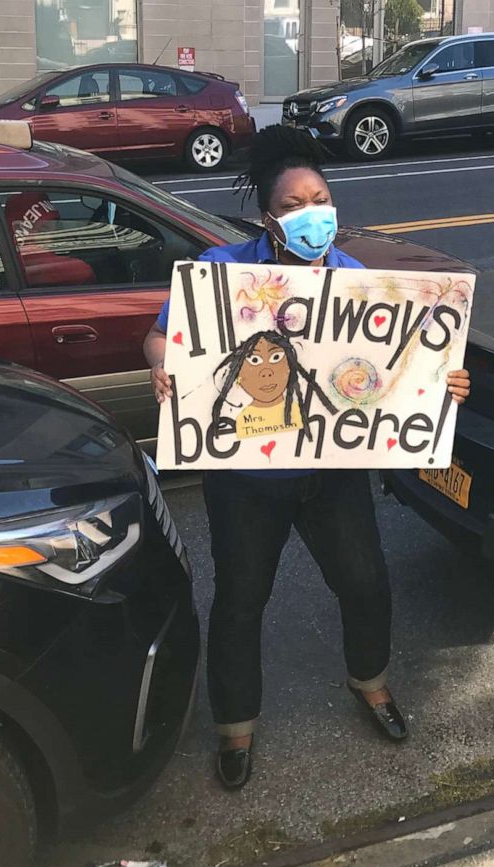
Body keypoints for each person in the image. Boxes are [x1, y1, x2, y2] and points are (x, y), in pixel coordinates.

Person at [142, 126, 470, 790]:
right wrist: (162, 366)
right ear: (269, 218)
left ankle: (371, 683)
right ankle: (236, 729)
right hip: (243, 479)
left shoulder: (355, 282)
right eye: (294, 204)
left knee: (366, 583)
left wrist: (442, 381)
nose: (312, 211)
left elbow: (396, 362)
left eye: (320, 197)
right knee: (239, 601)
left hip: (331, 470)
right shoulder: (222, 271)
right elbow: (158, 335)